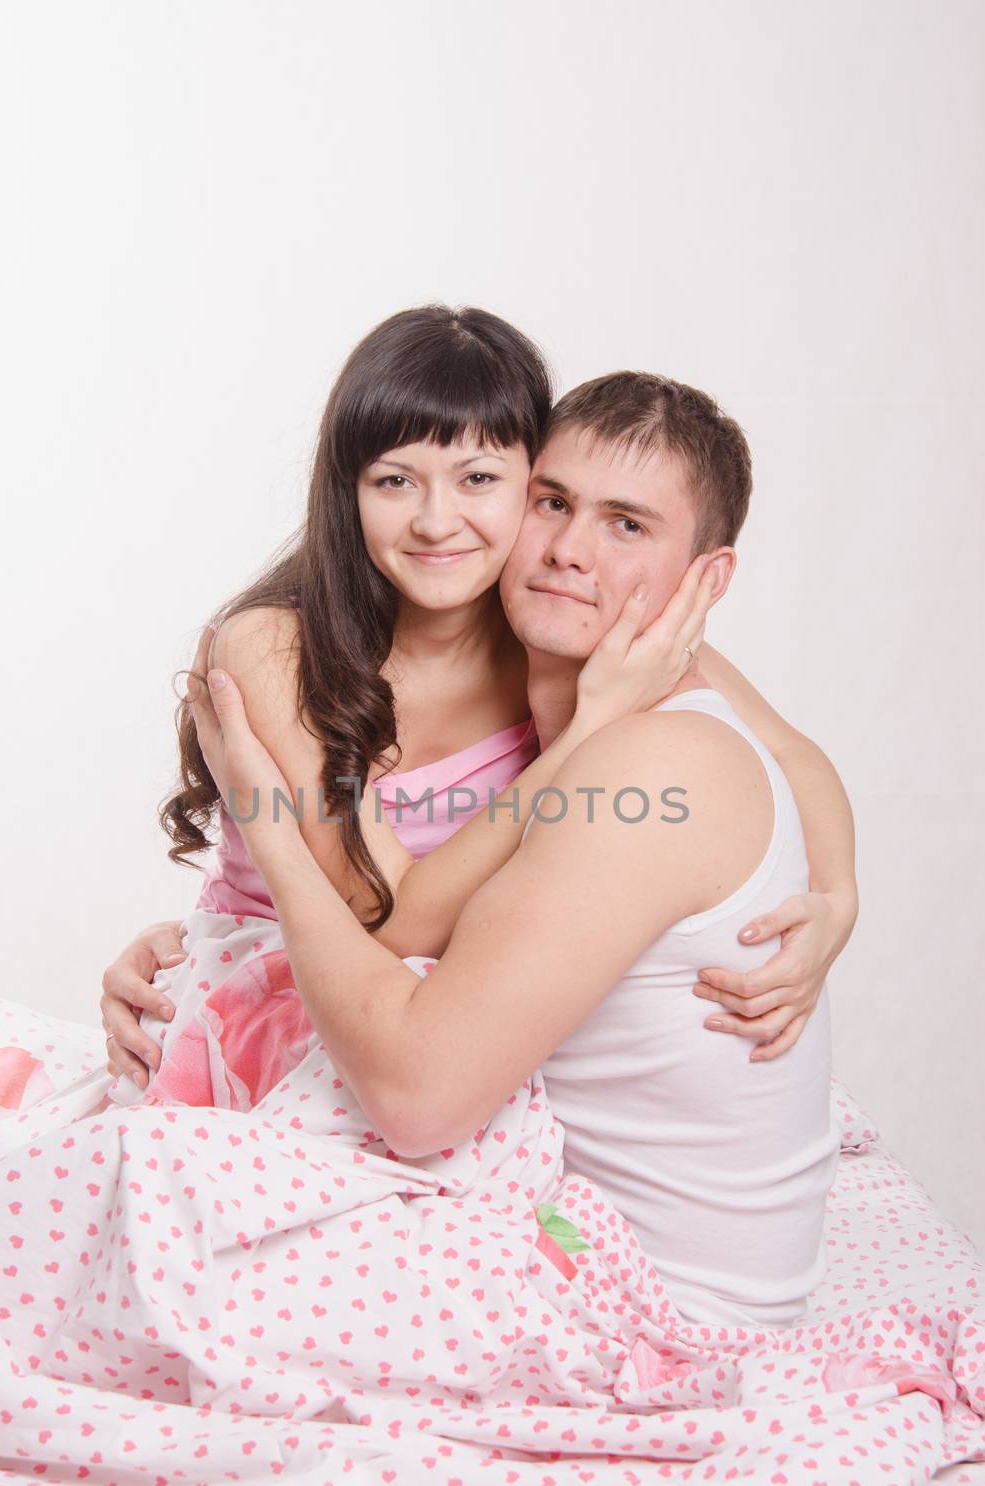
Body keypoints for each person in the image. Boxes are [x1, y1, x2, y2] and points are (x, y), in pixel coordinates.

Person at [185, 369, 846, 1328]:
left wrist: (840, 895)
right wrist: (194, 949)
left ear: (706, 581)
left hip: (637, 1294)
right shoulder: (583, 681)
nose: (571, 549)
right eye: (552, 502)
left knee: (166, 1243)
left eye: (627, 525)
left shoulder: (654, 751)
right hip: (556, 1210)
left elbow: (415, 1089)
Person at [102, 308, 857, 1105]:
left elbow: (793, 758)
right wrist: (589, 732)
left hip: (445, 1032)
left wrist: (836, 903)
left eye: (480, 480)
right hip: (295, 1018)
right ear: (346, 490)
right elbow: (386, 915)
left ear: (531, 480)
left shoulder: (562, 626)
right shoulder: (276, 648)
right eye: (394, 480)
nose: (436, 522)